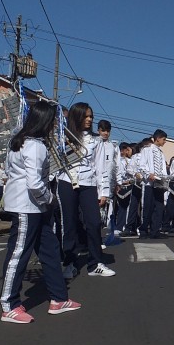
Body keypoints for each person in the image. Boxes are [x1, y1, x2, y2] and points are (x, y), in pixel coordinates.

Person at [0, 100, 80, 324]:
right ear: (45, 121)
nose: (56, 124)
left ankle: (58, 298)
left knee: (50, 250)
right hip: (28, 207)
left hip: (32, 206)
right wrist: (50, 199)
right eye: (54, 120)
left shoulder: (19, 141)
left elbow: (12, 172)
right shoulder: (35, 146)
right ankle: (9, 305)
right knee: (19, 254)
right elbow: (34, 183)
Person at [57, 102, 115, 279]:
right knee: (69, 224)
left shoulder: (96, 141)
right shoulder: (62, 136)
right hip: (66, 182)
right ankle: (70, 263)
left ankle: (95, 263)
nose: (89, 119)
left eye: (91, 116)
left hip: (89, 185)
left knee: (94, 222)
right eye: (86, 116)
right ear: (77, 116)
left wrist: (103, 191)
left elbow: (101, 168)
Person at [138, 129, 168, 239]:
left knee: (159, 208)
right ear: (158, 138)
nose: (165, 142)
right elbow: (141, 166)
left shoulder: (161, 153)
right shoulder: (146, 150)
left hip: (159, 183)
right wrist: (148, 174)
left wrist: (165, 179)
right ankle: (143, 230)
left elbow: (163, 169)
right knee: (148, 208)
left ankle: (155, 231)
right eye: (164, 139)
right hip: (149, 184)